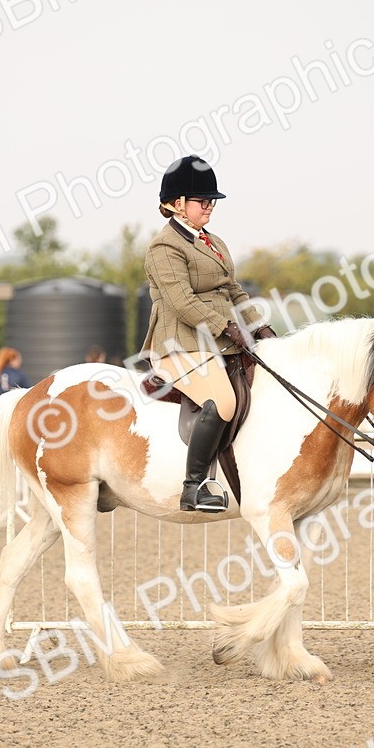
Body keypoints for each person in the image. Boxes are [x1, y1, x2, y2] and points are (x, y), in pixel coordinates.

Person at [139, 155, 276, 513]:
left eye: (211, 201)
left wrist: (259, 325)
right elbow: (182, 302)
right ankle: (193, 487)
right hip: (178, 343)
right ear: (176, 204)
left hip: (219, 340)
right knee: (224, 402)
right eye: (203, 201)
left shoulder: (213, 242)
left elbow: (234, 291)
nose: (210, 207)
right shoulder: (164, 247)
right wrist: (228, 327)